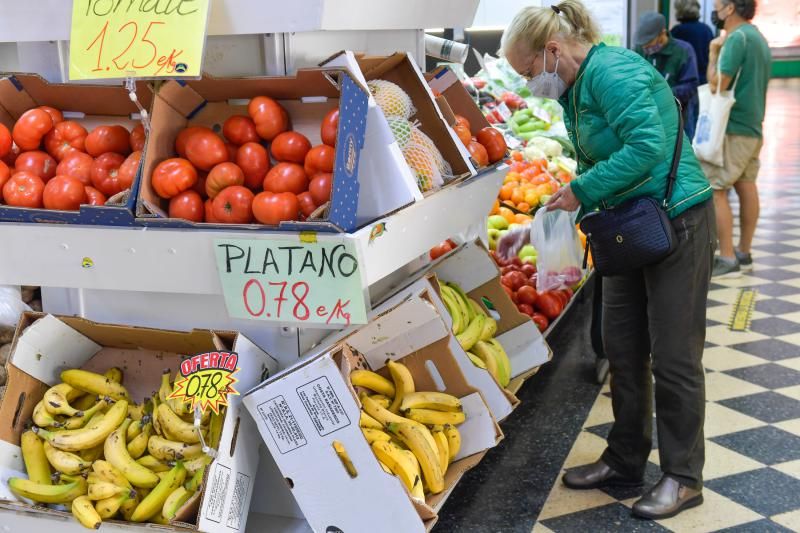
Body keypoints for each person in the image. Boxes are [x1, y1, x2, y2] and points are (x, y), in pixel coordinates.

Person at [498, 0, 715, 520]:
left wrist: (579, 192)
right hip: (630, 229)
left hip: (676, 223)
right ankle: (624, 460)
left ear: (552, 51)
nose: (531, 85)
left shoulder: (613, 73)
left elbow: (648, 146)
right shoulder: (576, 88)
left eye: (529, 72)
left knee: (675, 358)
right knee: (623, 347)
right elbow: (599, 166)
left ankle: (684, 478)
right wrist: (542, 224)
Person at [703, 0, 771, 277]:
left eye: (718, 5)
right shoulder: (758, 37)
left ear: (730, 8)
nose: (716, 10)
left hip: (732, 127)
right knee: (746, 185)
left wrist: (712, 54)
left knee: (716, 188)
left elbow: (717, 84)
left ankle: (728, 257)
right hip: (753, 125)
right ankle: (744, 251)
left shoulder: (735, 39)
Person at [634, 12, 700, 139]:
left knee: (677, 155)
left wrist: (662, 95)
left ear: (662, 33)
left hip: (677, 119)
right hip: (647, 120)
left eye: (649, 41)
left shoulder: (683, 51)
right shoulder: (639, 50)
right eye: (642, 43)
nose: (645, 46)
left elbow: (691, 85)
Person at [671, 0, 715, 85]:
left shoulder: (677, 31)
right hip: (703, 80)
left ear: (679, 11)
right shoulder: (706, 29)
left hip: (684, 82)